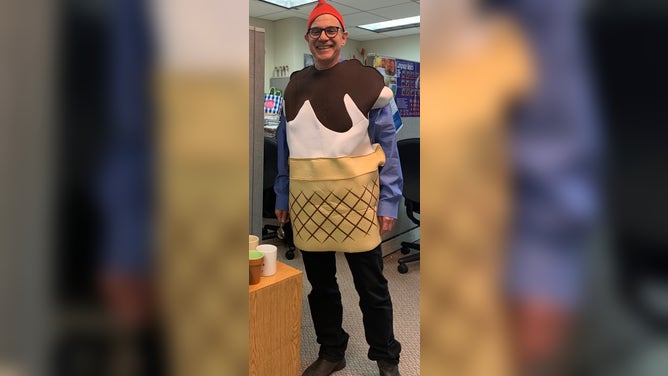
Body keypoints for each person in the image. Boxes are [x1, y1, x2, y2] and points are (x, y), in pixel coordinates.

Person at [273, 1, 403, 375]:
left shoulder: (369, 84)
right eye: (317, 30)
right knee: (322, 286)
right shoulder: (294, 86)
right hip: (307, 201)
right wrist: (282, 193)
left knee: (372, 287)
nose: (324, 37)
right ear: (308, 37)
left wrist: (390, 201)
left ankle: (386, 357)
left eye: (332, 30)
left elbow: (388, 149)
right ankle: (332, 351)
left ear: (343, 36)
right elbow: (286, 147)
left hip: (358, 201)